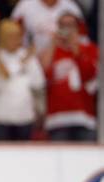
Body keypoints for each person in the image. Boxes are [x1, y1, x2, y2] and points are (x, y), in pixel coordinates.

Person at [40, 12, 98, 141]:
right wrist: (52, 44)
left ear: (78, 28)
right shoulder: (51, 50)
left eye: (70, 25)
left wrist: (75, 48)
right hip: (57, 119)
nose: (66, 29)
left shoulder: (90, 49)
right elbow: (43, 74)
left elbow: (90, 75)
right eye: (63, 25)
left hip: (84, 117)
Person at [0, 19, 45, 141]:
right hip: (0, 117)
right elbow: (1, 81)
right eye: (11, 36)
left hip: (24, 117)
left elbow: (38, 82)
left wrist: (28, 62)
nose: (16, 40)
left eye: (18, 36)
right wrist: (23, 63)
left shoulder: (26, 55)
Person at [11, 0, 83, 55]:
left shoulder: (70, 6)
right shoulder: (24, 5)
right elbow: (11, 33)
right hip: (32, 58)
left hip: (64, 59)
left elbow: (83, 38)